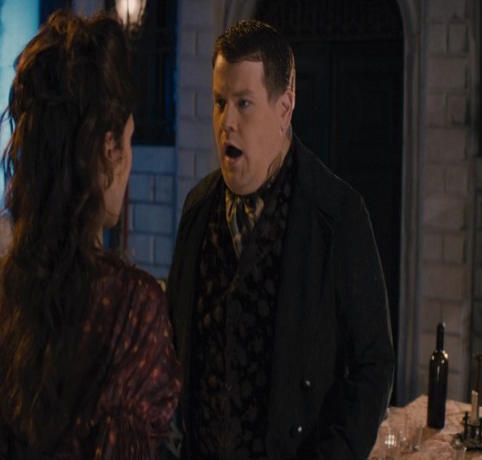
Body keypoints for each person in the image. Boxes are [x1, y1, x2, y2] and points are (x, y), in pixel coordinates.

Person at [0, 11, 181, 459]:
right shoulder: (134, 310)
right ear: (108, 149)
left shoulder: (5, 300)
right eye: (127, 141)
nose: (128, 160)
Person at [166, 19, 395, 459]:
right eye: (219, 103)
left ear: (285, 109)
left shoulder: (337, 216)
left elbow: (372, 365)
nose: (226, 122)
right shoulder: (198, 209)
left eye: (244, 103)